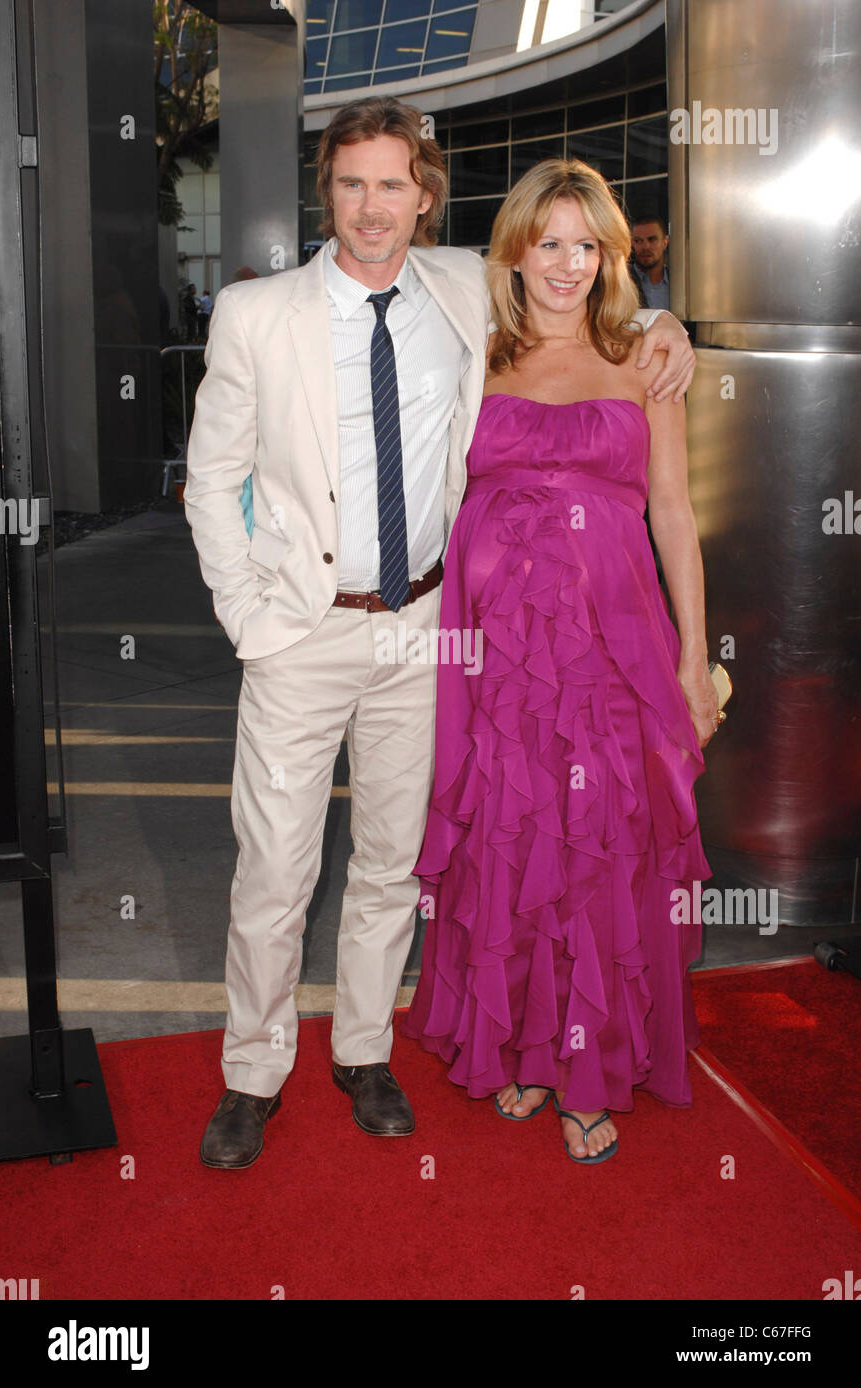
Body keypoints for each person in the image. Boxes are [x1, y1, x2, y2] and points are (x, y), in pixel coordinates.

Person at [182, 97, 696, 1171]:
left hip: (428, 628)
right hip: (299, 630)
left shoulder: (464, 289)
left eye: (392, 185)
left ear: (425, 197)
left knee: (388, 861)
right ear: (326, 190)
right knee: (274, 866)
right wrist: (248, 619)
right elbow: (211, 479)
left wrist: (664, 324)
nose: (372, 209)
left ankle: (364, 1053)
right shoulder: (256, 314)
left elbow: (575, 276)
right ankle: (252, 1071)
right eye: (351, 184)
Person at [403, 159, 717, 1164]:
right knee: (510, 844)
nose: (568, 264)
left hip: (613, 657)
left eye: (589, 245)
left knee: (600, 847)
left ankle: (587, 1069)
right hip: (496, 665)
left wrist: (691, 664)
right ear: (516, 248)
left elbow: (672, 513)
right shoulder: (471, 352)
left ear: (612, 257)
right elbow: (385, 256)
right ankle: (526, 1050)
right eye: (549, 242)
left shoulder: (642, 360)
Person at [630, 214, 670, 310]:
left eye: (652, 239)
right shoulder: (622, 281)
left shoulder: (678, 283)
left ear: (665, 242)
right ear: (631, 243)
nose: (645, 246)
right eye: (638, 241)